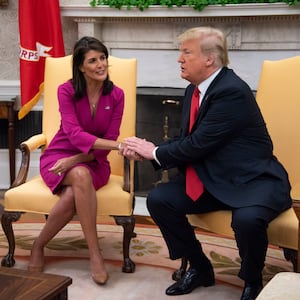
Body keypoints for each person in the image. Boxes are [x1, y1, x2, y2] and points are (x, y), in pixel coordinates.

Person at [122, 27, 292, 300]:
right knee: (159, 200)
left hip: (251, 181)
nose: (180, 59)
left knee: (248, 220)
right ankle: (200, 268)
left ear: (209, 59)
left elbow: (197, 144)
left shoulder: (231, 91)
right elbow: (185, 139)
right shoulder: (194, 90)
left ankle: (252, 281)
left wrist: (152, 151)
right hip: (214, 179)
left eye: (187, 52)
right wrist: (148, 152)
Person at [28, 36, 125, 285]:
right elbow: (74, 133)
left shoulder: (117, 95)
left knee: (74, 189)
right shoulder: (66, 90)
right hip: (59, 154)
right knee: (80, 176)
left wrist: (77, 160)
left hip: (94, 161)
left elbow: (111, 135)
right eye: (93, 60)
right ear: (81, 66)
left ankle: (38, 246)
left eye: (103, 58)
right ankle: (95, 255)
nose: (101, 64)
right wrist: (117, 147)